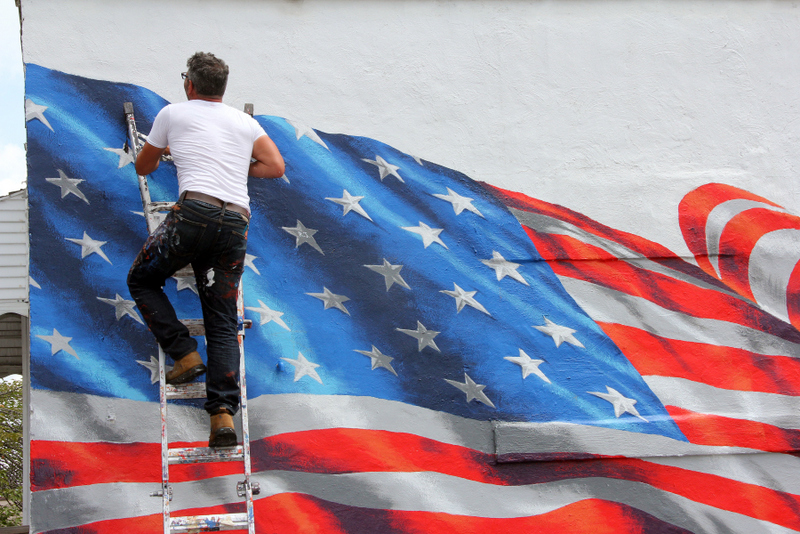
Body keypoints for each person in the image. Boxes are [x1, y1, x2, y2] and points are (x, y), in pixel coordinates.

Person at [127, 52, 285, 448]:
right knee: (221, 321)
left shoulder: (172, 113)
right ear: (222, 87)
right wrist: (236, 164)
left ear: (190, 84)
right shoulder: (245, 123)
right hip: (235, 223)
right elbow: (275, 166)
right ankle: (222, 417)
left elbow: (143, 167)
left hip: (193, 213)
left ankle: (184, 354)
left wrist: (167, 152)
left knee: (142, 279)